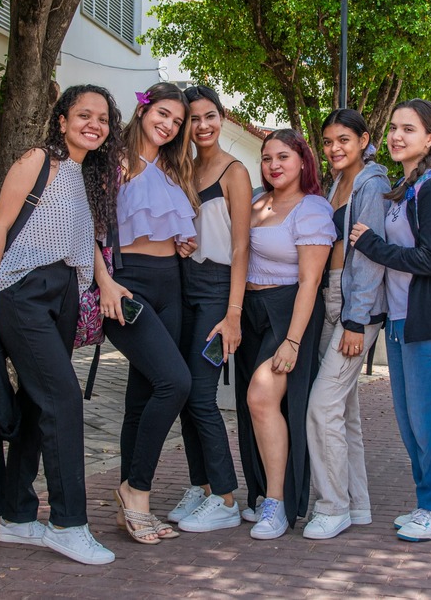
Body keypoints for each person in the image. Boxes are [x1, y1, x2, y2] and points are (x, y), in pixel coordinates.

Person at [0, 84, 122, 565]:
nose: (94, 124)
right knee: (64, 400)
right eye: (84, 115)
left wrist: (104, 283)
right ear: (62, 120)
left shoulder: (90, 175)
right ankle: (68, 524)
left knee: (38, 402)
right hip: (22, 291)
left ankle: (18, 517)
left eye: (103, 118)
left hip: (64, 295)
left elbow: (88, 242)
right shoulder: (38, 160)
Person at [349, 98, 431, 543]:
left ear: (430, 138)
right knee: (411, 420)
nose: (397, 136)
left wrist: (372, 245)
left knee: (429, 419)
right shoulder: (404, 189)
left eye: (409, 129)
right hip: (402, 321)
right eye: (394, 128)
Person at [98, 82, 198, 544]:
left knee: (142, 397)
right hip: (127, 284)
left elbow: (164, 225)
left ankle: (130, 504)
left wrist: (183, 241)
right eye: (163, 114)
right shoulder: (112, 161)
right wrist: (105, 282)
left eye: (177, 121)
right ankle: (135, 490)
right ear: (142, 110)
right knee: (175, 383)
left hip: (170, 284)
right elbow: (88, 228)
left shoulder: (174, 168)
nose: (169, 125)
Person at [237, 129, 335, 539]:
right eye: (267, 158)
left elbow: (310, 282)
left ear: (302, 161)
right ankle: (260, 491)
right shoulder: (258, 203)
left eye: (283, 157)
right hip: (251, 311)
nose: (273, 165)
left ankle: (277, 504)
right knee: (254, 408)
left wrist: (293, 341)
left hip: (289, 310)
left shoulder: (312, 208)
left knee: (261, 397)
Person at [166, 86, 253, 532]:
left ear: (222, 117)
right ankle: (200, 487)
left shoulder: (235, 172)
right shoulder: (183, 169)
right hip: (184, 285)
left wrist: (233, 312)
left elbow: (241, 248)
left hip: (219, 291)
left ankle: (225, 497)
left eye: (210, 116)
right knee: (183, 392)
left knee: (202, 395)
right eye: (194, 119)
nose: (202, 126)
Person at [303, 109, 390, 540]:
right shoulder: (338, 181)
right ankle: (356, 503)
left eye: (343, 140)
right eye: (328, 141)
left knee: (321, 407)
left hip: (357, 305)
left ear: (363, 140)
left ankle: (331, 505)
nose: (334, 148)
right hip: (331, 297)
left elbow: (371, 256)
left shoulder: (372, 184)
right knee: (343, 410)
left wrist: (357, 320)